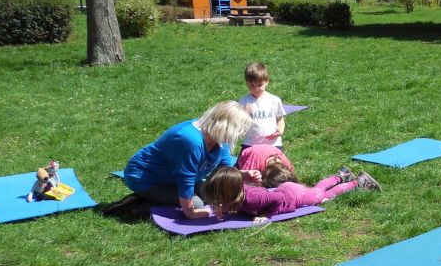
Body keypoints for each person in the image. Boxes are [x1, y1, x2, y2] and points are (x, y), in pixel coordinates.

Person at [122, 101, 257, 219]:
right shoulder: (189, 140)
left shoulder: (220, 138)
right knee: (197, 204)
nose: (239, 135)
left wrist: (242, 175)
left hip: (175, 178)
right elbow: (185, 179)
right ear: (226, 126)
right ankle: (141, 203)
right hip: (146, 178)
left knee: (212, 197)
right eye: (239, 130)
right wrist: (190, 212)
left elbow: (224, 169)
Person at [203, 164, 380, 223]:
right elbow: (234, 205)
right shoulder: (235, 196)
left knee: (321, 196)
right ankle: (341, 175)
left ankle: (359, 182)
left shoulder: (253, 198)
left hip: (293, 195)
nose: (217, 201)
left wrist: (266, 215)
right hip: (286, 188)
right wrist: (223, 209)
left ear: (229, 191)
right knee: (316, 190)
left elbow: (278, 198)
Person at [239, 62, 286, 150]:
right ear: (247, 83)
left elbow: (280, 118)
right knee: (245, 160)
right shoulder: (243, 101)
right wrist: (245, 114)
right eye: (252, 85)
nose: (256, 89)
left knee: (274, 160)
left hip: (273, 143)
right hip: (250, 143)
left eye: (260, 85)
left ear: (266, 81)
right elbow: (238, 123)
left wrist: (280, 130)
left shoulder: (274, 100)